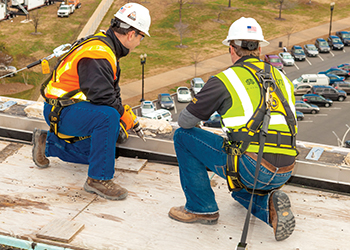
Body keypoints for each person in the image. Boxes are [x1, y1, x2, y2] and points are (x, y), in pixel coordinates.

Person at [168, 17, 298, 242]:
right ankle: (269, 208)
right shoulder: (283, 79)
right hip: (286, 169)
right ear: (259, 48)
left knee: (182, 137)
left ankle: (202, 207)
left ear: (231, 49)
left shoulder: (225, 79)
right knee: (238, 191)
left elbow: (186, 122)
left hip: (252, 167)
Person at [32, 2, 151, 201]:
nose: (140, 42)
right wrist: (123, 115)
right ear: (131, 34)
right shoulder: (98, 54)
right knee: (109, 117)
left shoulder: (105, 46)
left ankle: (47, 144)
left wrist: (124, 114)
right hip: (62, 112)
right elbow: (103, 97)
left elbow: (111, 89)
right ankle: (98, 179)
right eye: (141, 37)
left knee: (102, 153)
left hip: (68, 109)